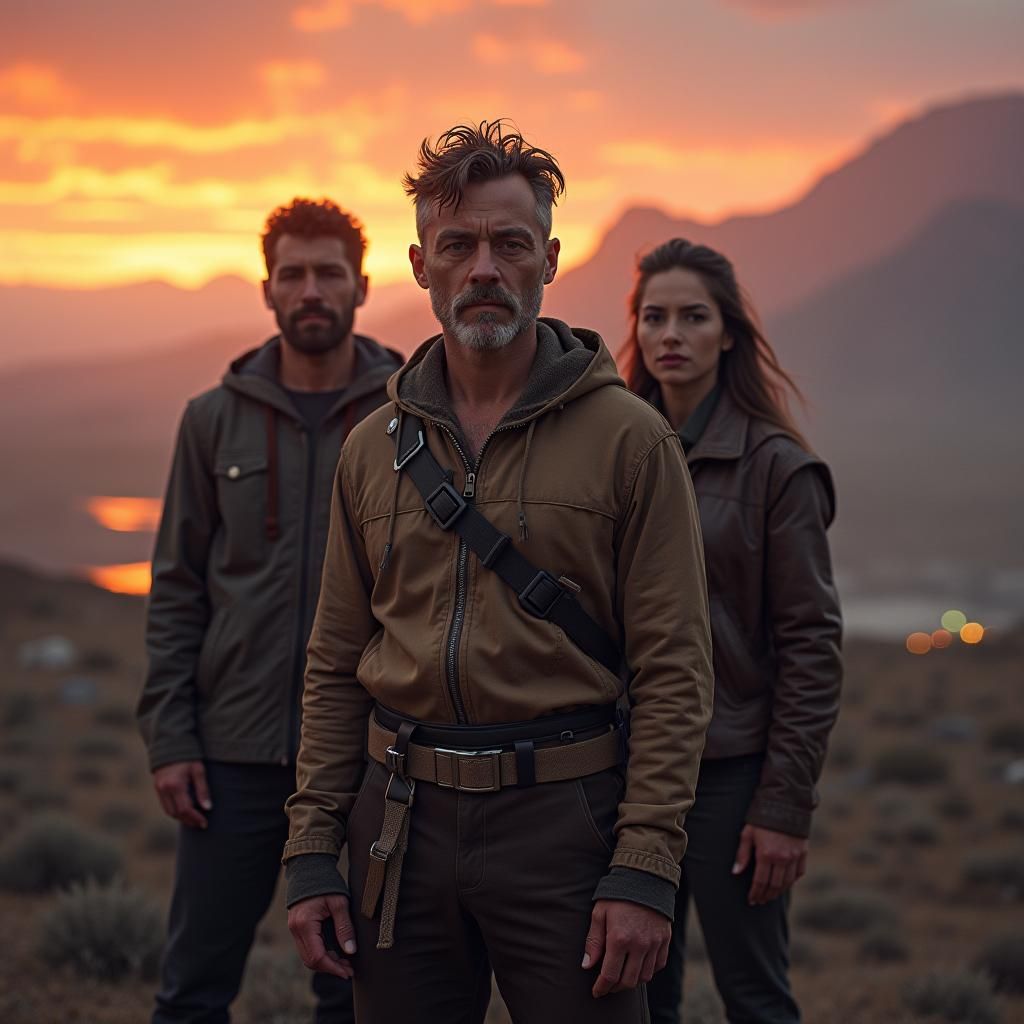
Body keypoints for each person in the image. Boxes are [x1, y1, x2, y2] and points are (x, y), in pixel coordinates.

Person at [282, 121, 714, 1024]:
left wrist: (646, 864)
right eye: (460, 245)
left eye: (510, 244)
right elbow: (333, 663)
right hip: (396, 821)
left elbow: (675, 670)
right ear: (420, 265)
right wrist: (315, 846)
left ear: (550, 260)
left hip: (567, 825)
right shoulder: (372, 450)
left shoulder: (632, 441)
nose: (485, 266)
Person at [137, 197, 403, 1024]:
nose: (311, 289)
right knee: (193, 989)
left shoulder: (411, 413)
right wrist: (173, 738)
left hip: (367, 756)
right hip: (233, 760)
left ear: (362, 287)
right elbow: (178, 587)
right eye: (294, 274)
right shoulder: (212, 421)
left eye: (330, 273)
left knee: (357, 992)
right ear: (267, 290)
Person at [621, 238, 843, 1024]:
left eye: (693, 316)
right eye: (655, 317)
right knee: (636, 995)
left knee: (754, 996)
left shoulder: (777, 468)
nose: (671, 333)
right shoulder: (613, 453)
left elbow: (811, 647)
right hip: (622, 769)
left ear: (729, 334)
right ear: (637, 334)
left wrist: (783, 807)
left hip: (730, 774)